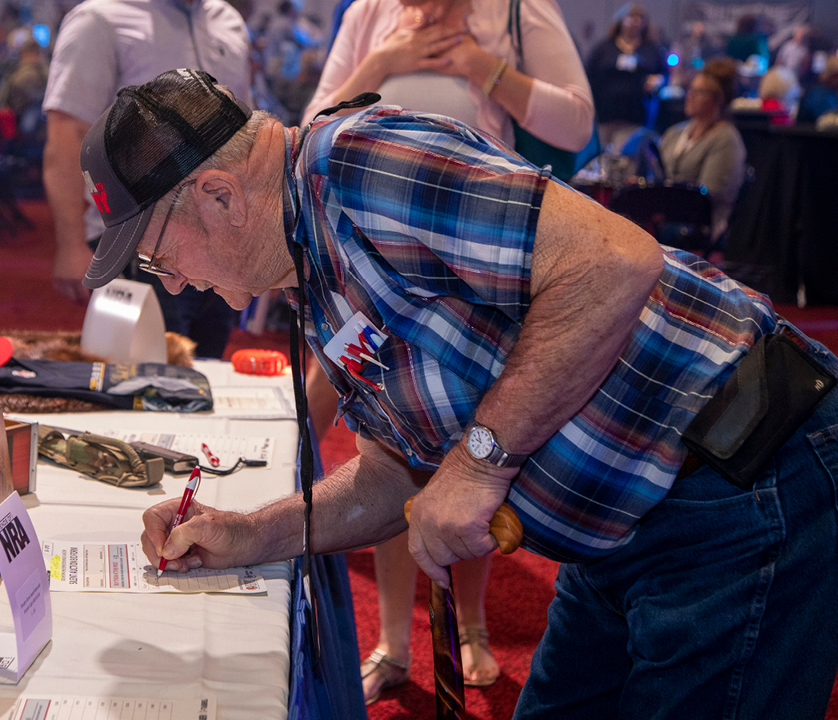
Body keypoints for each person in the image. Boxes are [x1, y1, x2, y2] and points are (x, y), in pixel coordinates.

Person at [83, 69, 838, 719]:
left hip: (745, 489)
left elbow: (613, 260)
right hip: (624, 527)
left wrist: (478, 466)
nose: (172, 282)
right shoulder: (309, 258)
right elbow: (394, 469)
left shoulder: (361, 163)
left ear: (218, 196)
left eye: (156, 256)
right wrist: (252, 535)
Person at [300, 0, 592, 700]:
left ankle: (472, 629)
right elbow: (309, 129)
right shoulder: (370, 12)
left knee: (476, 456)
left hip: (479, 270)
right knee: (386, 452)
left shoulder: (518, 10)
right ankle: (393, 644)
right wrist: (384, 64)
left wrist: (485, 69)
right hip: (378, 268)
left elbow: (576, 123)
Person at [41, 0, 252, 357]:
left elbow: (246, 136)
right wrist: (71, 243)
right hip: (137, 242)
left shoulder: (226, 20)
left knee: (208, 372)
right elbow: (68, 134)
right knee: (144, 378)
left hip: (223, 239)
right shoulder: (100, 19)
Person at [660, 57, 745, 242]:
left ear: (717, 100)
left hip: (700, 229)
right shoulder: (675, 132)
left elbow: (707, 197)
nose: (689, 95)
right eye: (690, 89)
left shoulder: (726, 139)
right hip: (665, 219)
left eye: (699, 91)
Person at [585, 3, 665, 150]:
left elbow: (663, 75)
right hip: (605, 114)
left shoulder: (652, 49)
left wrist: (657, 81)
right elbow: (589, 75)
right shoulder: (604, 47)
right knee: (601, 155)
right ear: (620, 20)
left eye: (640, 18)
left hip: (635, 115)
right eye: (631, 17)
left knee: (624, 157)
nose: (635, 22)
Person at [0, 39, 49, 114]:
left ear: (22, 53)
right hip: (42, 117)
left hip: (19, 117)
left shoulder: (18, 75)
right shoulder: (47, 72)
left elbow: (4, 100)